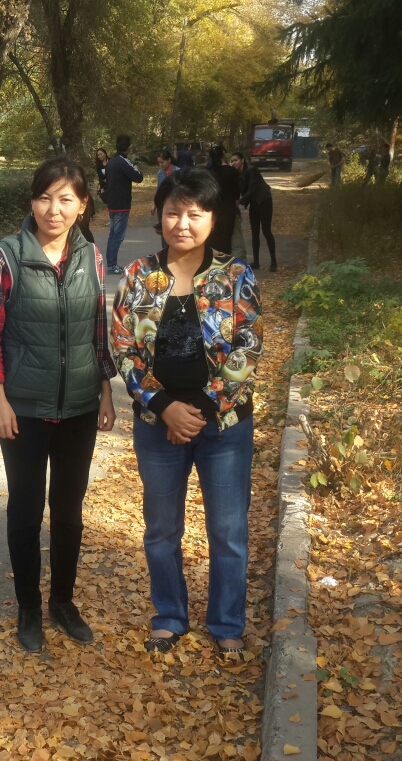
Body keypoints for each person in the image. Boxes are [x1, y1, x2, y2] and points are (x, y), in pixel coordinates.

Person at [110, 167, 263, 657]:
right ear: (159, 215)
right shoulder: (139, 275)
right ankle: (169, 617)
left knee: (228, 531)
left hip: (224, 427)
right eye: (173, 212)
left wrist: (197, 409)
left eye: (195, 214)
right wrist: (164, 407)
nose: (183, 223)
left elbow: (248, 347)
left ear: (213, 218)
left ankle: (226, 623)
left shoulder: (235, 275)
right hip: (158, 425)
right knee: (161, 530)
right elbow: (123, 347)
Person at [0, 157, 117, 653]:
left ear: (82, 205)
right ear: (32, 202)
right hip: (25, 407)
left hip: (79, 406)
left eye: (65, 199)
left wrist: (105, 389)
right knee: (25, 508)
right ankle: (29, 608)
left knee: (69, 509)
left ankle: (62, 601)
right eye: (44, 197)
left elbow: (98, 329)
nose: (52, 209)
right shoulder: (7, 256)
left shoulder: (92, 258)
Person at [104, 134, 144, 275]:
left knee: (112, 235)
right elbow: (138, 177)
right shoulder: (123, 161)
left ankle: (110, 263)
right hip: (122, 203)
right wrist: (136, 168)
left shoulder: (110, 162)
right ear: (128, 148)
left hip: (112, 202)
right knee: (117, 236)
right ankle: (112, 265)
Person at [230, 152, 277, 272]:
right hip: (254, 203)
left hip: (264, 200)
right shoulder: (237, 175)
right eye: (232, 161)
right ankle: (256, 262)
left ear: (242, 160)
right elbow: (238, 190)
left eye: (236, 160)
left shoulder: (251, 170)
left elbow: (251, 189)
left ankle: (274, 262)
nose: (234, 163)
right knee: (254, 232)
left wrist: (240, 202)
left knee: (266, 231)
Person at [206, 145, 244, 259]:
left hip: (211, 210)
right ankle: (226, 263)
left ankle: (212, 261)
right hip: (228, 210)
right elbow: (237, 194)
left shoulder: (208, 172)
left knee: (212, 238)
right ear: (223, 154)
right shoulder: (232, 171)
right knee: (228, 239)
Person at [151, 150, 178, 249]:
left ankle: (175, 248)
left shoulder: (177, 171)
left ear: (169, 160)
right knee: (164, 228)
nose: (161, 165)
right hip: (162, 204)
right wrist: (154, 204)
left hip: (174, 204)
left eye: (162, 162)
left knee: (174, 227)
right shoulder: (160, 173)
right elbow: (158, 189)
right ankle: (165, 250)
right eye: (159, 163)